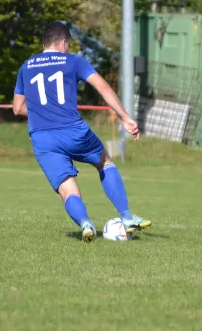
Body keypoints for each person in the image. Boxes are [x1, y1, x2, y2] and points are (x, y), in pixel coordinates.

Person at [13, 22, 151, 243]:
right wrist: (125, 118)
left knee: (67, 189)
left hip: (42, 137)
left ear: (44, 43)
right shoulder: (73, 61)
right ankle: (126, 217)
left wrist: (42, 111)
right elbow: (103, 87)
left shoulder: (26, 66)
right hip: (73, 130)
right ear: (64, 42)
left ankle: (86, 223)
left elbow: (18, 108)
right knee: (105, 161)